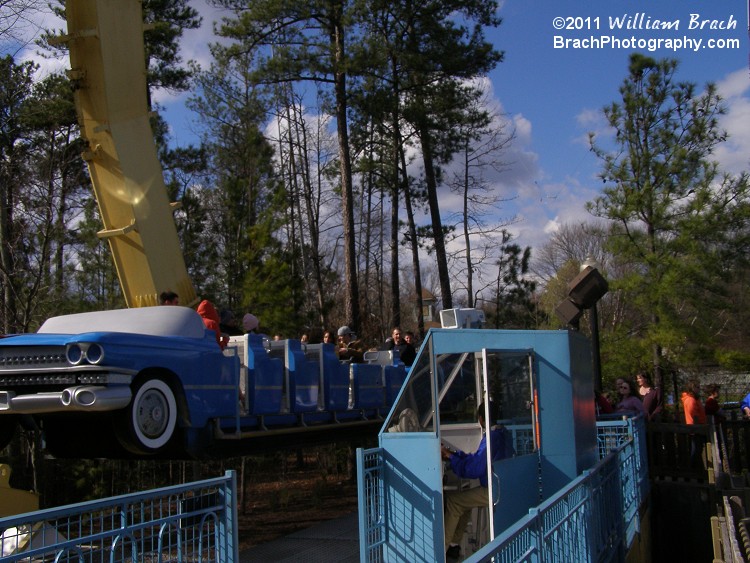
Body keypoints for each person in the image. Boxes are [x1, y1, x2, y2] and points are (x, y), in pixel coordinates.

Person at [440, 402, 508, 560]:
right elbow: (477, 459)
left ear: (481, 419)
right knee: (464, 501)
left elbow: (474, 469)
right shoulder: (500, 434)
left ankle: (441, 551)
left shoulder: (491, 438)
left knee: (453, 502)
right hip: (501, 485)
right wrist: (454, 455)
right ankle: (454, 546)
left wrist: (450, 457)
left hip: (493, 491)